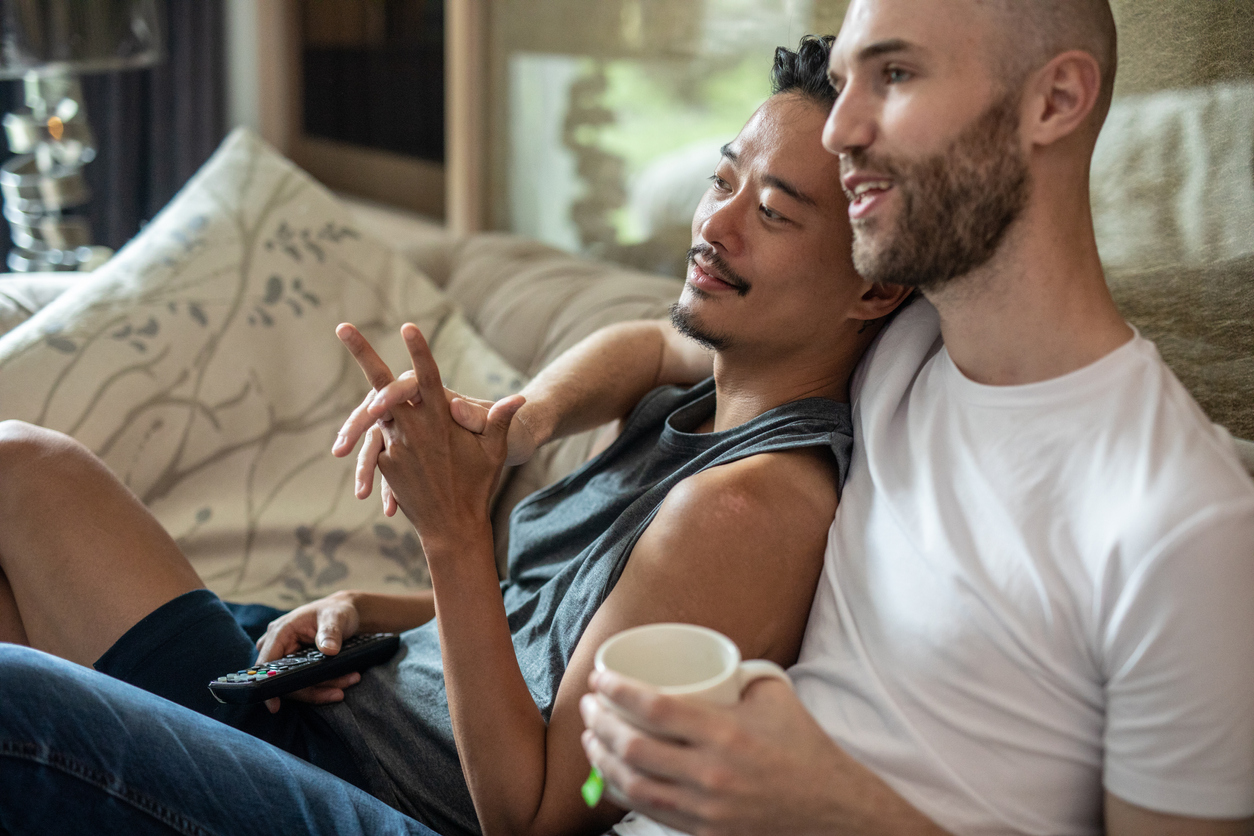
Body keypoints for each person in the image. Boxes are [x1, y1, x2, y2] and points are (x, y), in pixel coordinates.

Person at [0, 39, 913, 836]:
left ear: (874, 287)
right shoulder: (725, 370)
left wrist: (451, 531)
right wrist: (518, 433)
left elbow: (542, 807)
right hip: (338, 700)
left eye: (774, 213)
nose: (712, 226)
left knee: (24, 493)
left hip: (349, 791)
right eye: (722, 179)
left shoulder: (742, 510)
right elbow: (646, 345)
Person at [524, 2, 1254, 835]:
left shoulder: (1187, 527)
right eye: (844, 85)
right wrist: (522, 420)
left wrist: (828, 804)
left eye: (896, 76)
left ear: (1054, 102)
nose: (838, 133)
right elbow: (665, 345)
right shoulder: (895, 344)